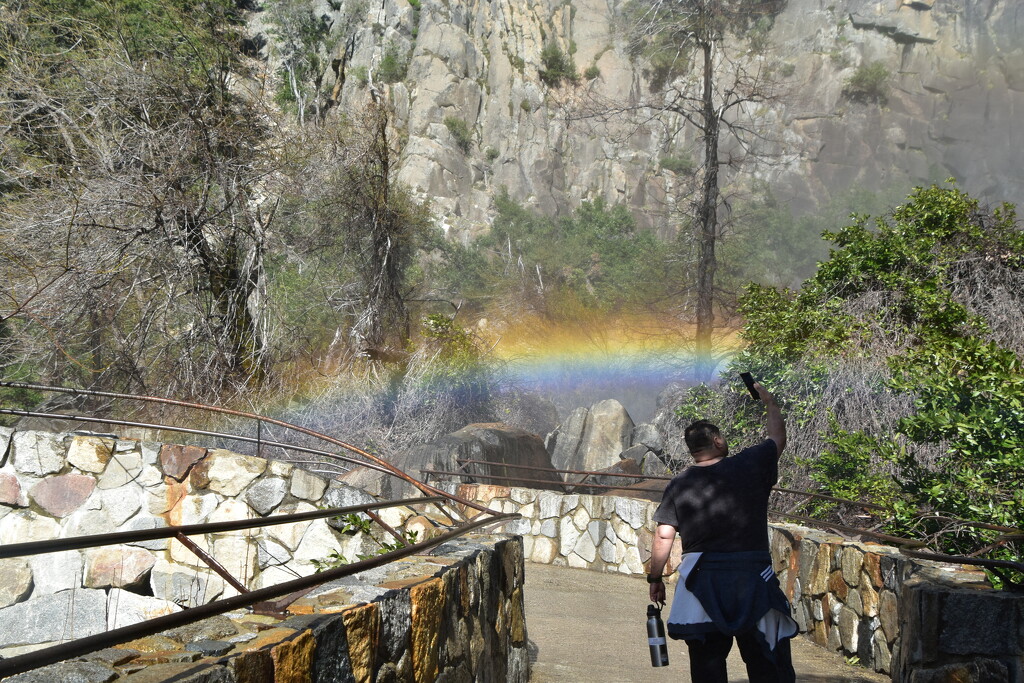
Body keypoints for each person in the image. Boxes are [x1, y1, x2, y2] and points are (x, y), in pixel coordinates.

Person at [646, 381, 797, 683]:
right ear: (717, 440)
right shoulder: (750, 464)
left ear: (692, 450)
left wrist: (655, 577)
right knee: (766, 661)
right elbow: (777, 437)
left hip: (701, 580)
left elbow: (664, 535)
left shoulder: (679, 484)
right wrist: (770, 403)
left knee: (707, 665)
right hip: (752, 578)